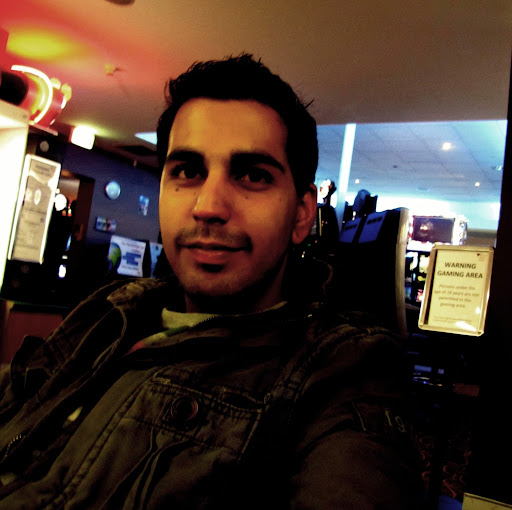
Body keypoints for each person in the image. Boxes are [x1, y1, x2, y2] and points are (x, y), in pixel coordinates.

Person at [0, 54, 423, 509]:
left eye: (253, 175)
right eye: (187, 171)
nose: (208, 206)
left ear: (302, 215)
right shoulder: (108, 310)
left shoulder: (344, 372)